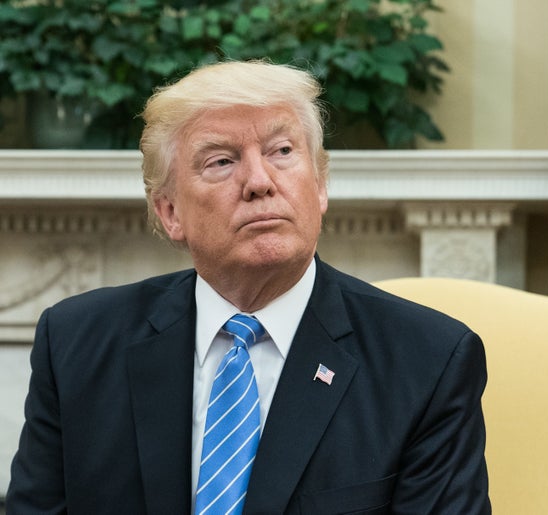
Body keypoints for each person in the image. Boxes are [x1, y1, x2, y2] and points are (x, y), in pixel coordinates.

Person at [7, 60, 491, 514]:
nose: (260, 181)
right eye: (221, 161)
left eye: (282, 152)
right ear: (170, 212)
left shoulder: (427, 361)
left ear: (320, 186)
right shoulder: (76, 343)